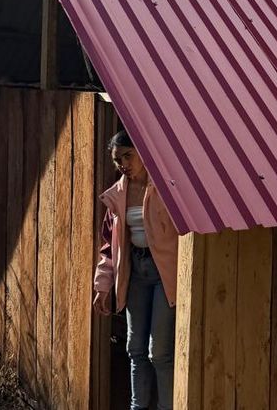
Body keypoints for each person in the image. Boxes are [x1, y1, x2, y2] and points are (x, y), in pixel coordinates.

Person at [93, 131, 179, 410]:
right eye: (118, 160)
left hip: (164, 274)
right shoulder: (117, 195)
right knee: (135, 349)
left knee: (160, 352)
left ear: (142, 153)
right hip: (135, 273)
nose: (123, 164)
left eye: (128, 156)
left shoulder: (164, 187)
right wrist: (102, 286)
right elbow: (110, 246)